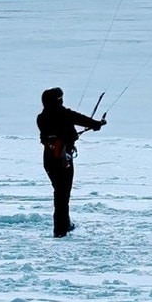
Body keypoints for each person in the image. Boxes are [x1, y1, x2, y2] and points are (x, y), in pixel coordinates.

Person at [36, 88, 105, 238]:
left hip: (49, 159)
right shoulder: (63, 113)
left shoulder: (41, 118)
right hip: (63, 159)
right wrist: (97, 124)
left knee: (59, 192)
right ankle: (60, 230)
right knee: (63, 194)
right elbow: (81, 119)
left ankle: (64, 224)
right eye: (60, 99)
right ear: (58, 100)